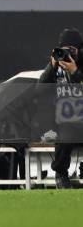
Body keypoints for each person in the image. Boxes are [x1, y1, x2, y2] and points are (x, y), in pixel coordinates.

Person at [38, 28, 83, 189]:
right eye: (64, 50)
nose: (68, 54)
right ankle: (61, 174)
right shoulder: (57, 64)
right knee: (67, 129)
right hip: (64, 120)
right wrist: (51, 66)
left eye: (72, 50)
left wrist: (75, 72)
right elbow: (40, 89)